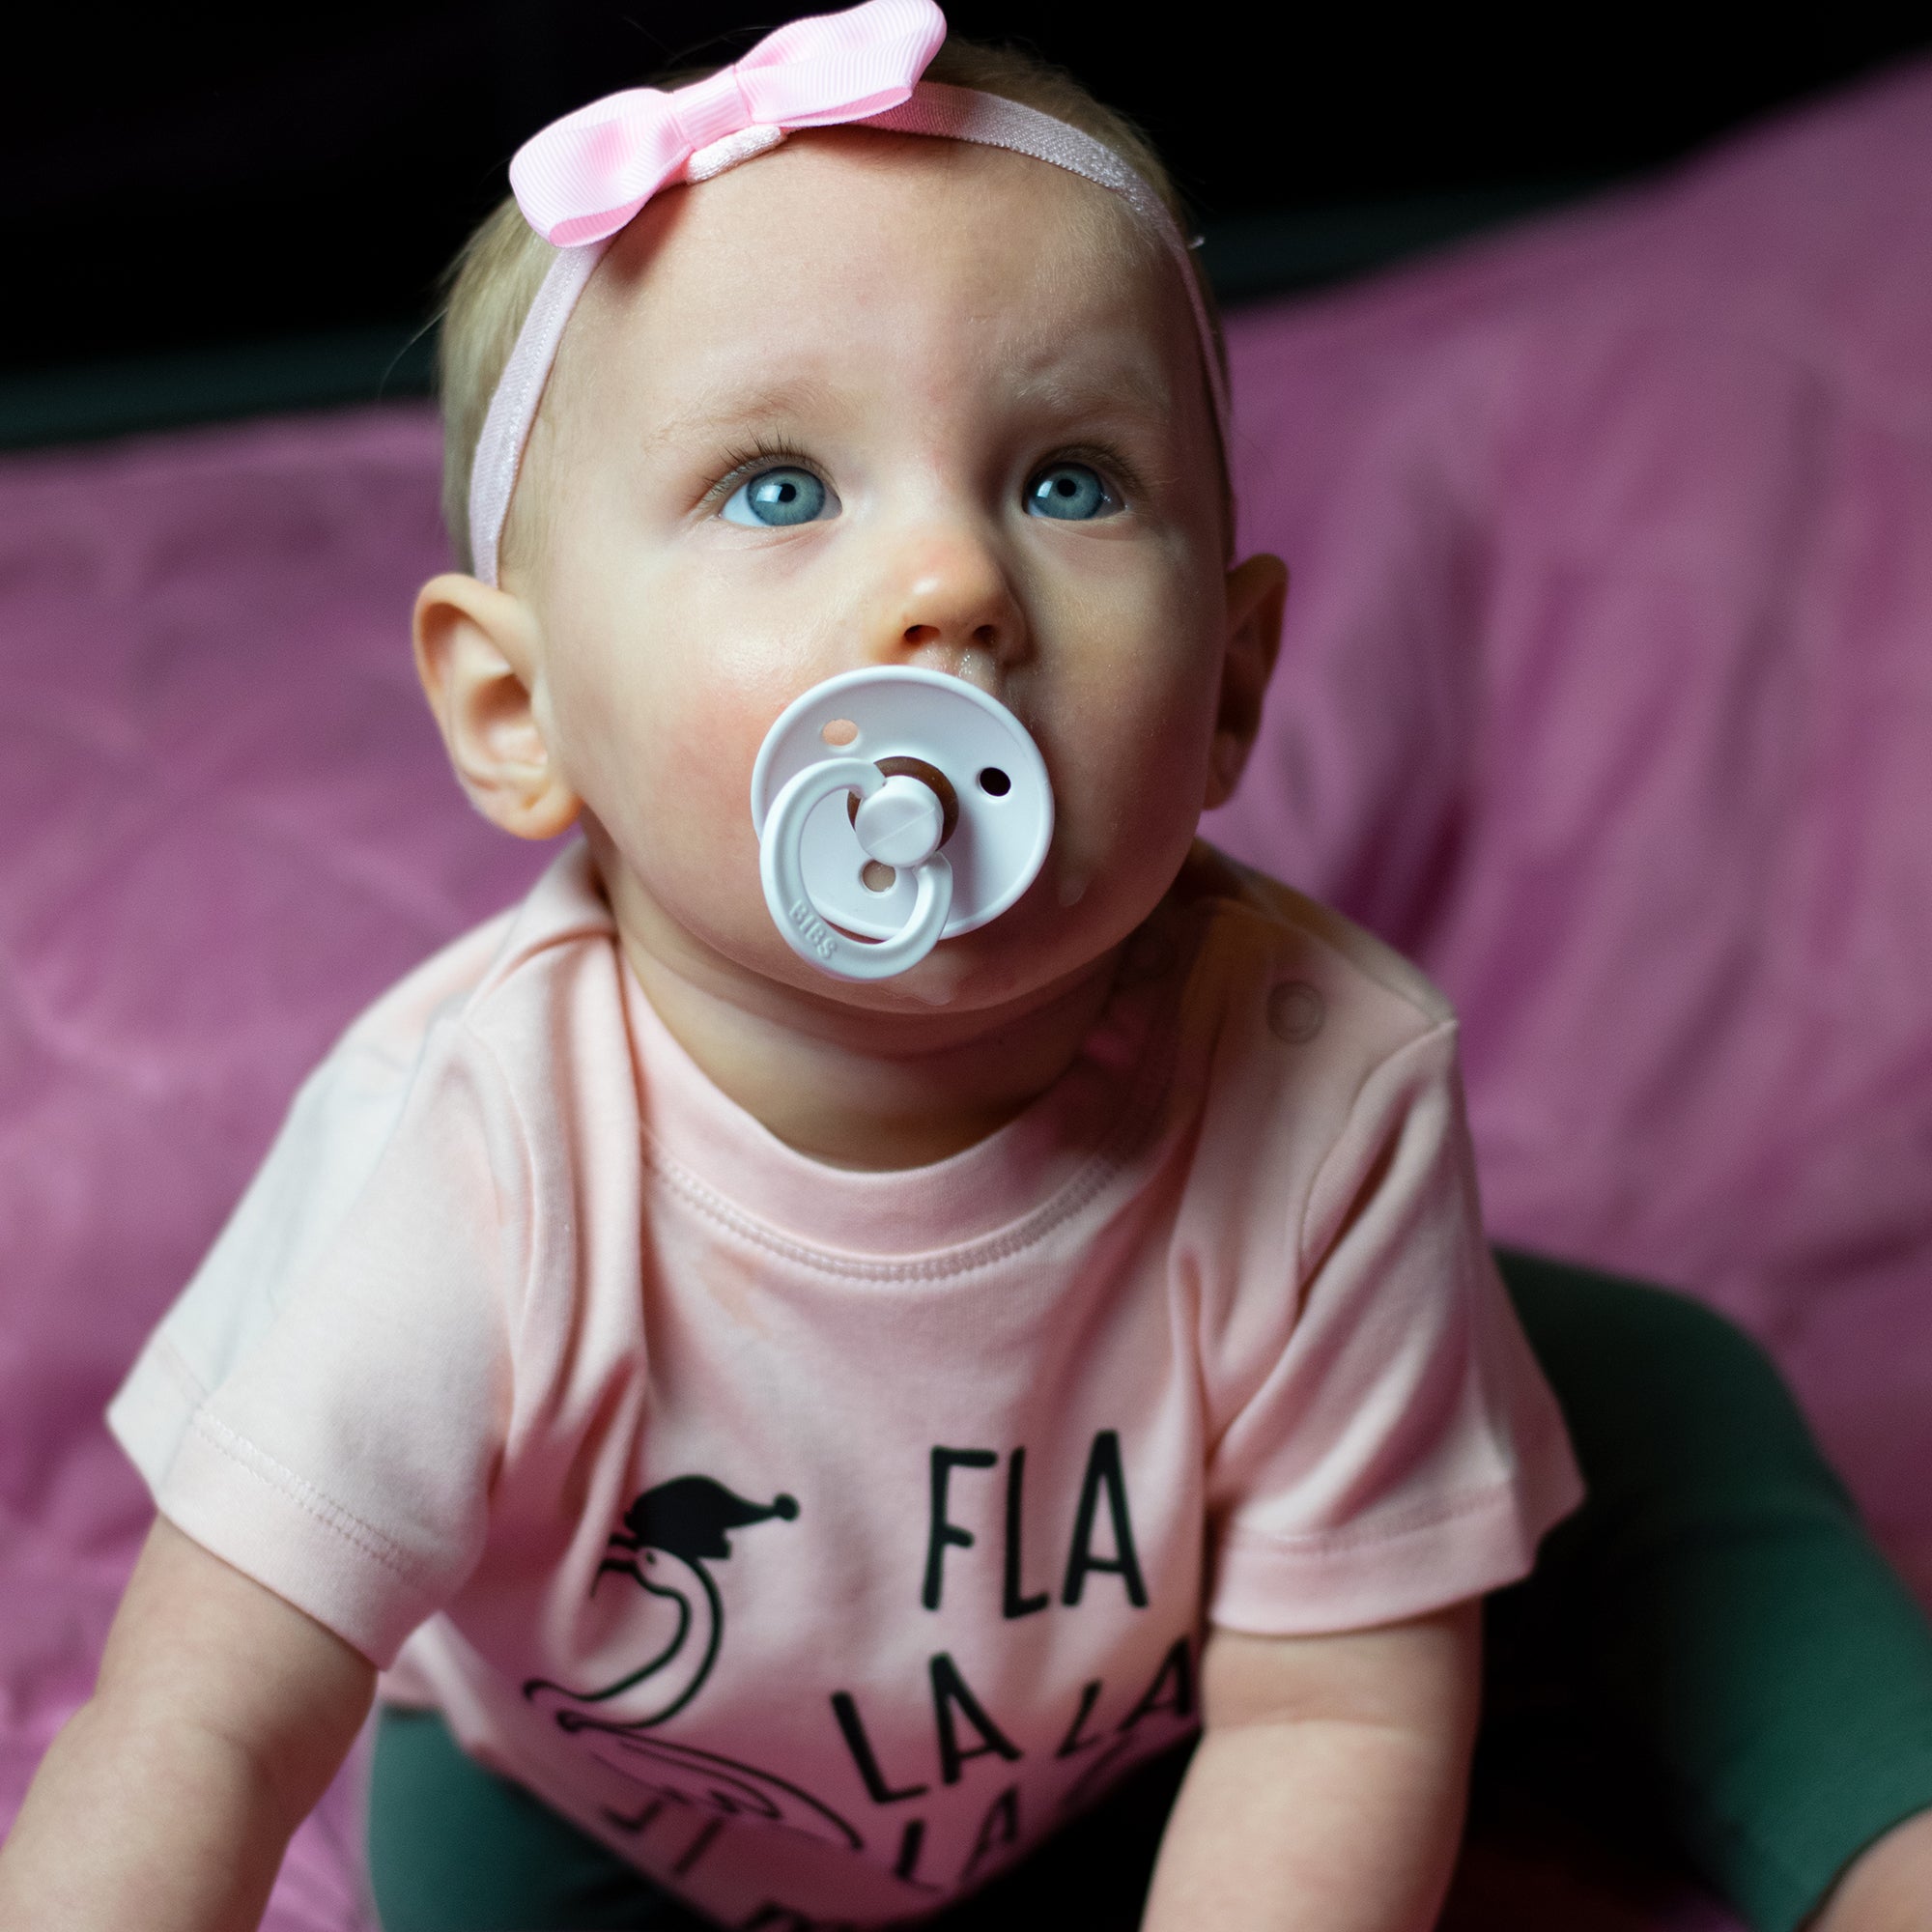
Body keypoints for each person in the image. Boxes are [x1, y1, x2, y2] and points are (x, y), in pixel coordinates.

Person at [3, 5, 1930, 1929]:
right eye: (779, 484)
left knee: (1657, 1405)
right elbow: (197, 1730)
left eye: (1068, 480)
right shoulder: (463, 1154)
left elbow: (1329, 1720)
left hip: (1148, 1746)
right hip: (613, 1804)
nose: (957, 582)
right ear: (520, 711)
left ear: (1233, 687)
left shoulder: (1323, 1082)